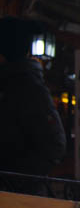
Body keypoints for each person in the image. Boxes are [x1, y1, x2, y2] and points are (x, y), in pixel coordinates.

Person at [0, 16, 66, 176]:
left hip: (16, 195)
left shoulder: (27, 87)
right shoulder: (19, 84)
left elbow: (54, 145)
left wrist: (15, 180)